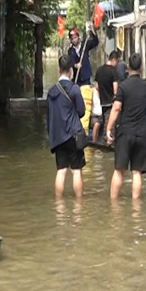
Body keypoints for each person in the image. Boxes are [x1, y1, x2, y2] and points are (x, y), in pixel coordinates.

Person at [105, 53, 146, 199]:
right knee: (136, 171)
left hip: (125, 132)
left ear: (129, 67)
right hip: (141, 133)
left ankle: (114, 205)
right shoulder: (145, 86)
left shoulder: (123, 86)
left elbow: (116, 108)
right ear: (141, 67)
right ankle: (136, 207)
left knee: (119, 170)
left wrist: (108, 128)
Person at [47, 54, 86, 198]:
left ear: (59, 69)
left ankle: (59, 205)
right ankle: (78, 205)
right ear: (71, 70)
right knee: (76, 170)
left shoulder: (51, 91)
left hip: (58, 137)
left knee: (61, 170)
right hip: (73, 136)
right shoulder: (75, 89)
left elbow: (49, 116)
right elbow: (81, 111)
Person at [94, 50, 121, 138]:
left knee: (103, 124)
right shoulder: (113, 71)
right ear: (114, 60)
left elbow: (97, 87)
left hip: (102, 103)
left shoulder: (99, 70)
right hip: (111, 103)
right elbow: (115, 89)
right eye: (117, 62)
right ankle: (109, 143)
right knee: (110, 127)